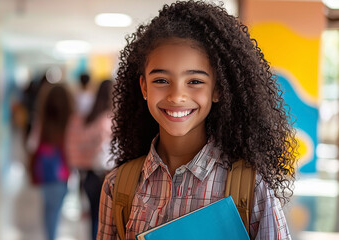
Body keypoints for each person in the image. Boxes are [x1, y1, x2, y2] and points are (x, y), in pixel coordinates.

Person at [97, 1, 297, 240]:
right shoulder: (118, 186)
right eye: (161, 80)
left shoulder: (251, 188)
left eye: (195, 81)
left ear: (217, 90)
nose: (177, 96)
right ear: (144, 87)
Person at [66, 80, 114, 240]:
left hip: (90, 175)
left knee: (94, 217)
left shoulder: (88, 118)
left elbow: (77, 142)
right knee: (108, 220)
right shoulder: (111, 120)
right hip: (108, 175)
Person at [28, 84, 73, 240]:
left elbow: (32, 143)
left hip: (45, 172)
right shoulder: (71, 120)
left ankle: (50, 236)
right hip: (63, 172)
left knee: (49, 210)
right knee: (55, 209)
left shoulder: (42, 120)